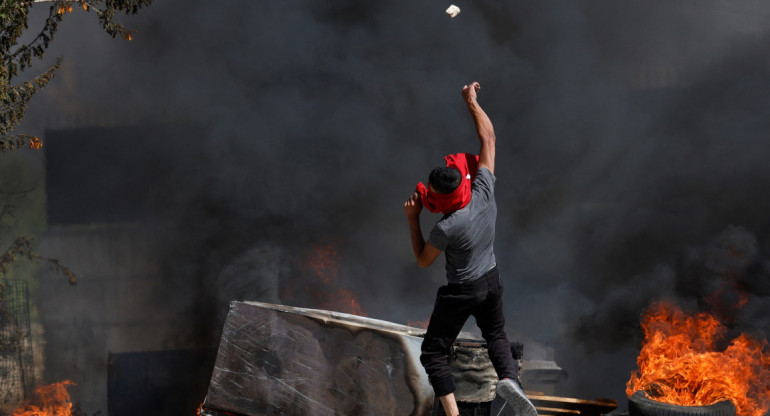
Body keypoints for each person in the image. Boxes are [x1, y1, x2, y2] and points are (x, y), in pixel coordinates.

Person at [404, 82, 537, 416]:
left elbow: (422, 261)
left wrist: (412, 218)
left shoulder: (446, 228)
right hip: (491, 279)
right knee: (495, 334)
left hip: (463, 290)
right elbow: (488, 138)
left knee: (433, 352)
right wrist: (471, 102)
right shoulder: (482, 190)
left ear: (439, 199)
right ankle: (510, 379)